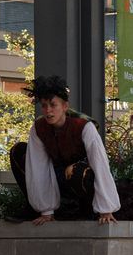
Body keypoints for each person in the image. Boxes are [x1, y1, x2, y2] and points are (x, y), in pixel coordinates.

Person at [9, 75, 120, 226]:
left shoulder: (84, 126)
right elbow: (38, 166)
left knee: (74, 170)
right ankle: (36, 208)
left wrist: (106, 209)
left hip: (82, 177)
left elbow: (100, 165)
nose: (48, 111)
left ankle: (86, 210)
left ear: (65, 106)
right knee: (19, 151)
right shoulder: (38, 128)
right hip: (56, 175)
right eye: (44, 105)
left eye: (53, 105)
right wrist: (46, 211)